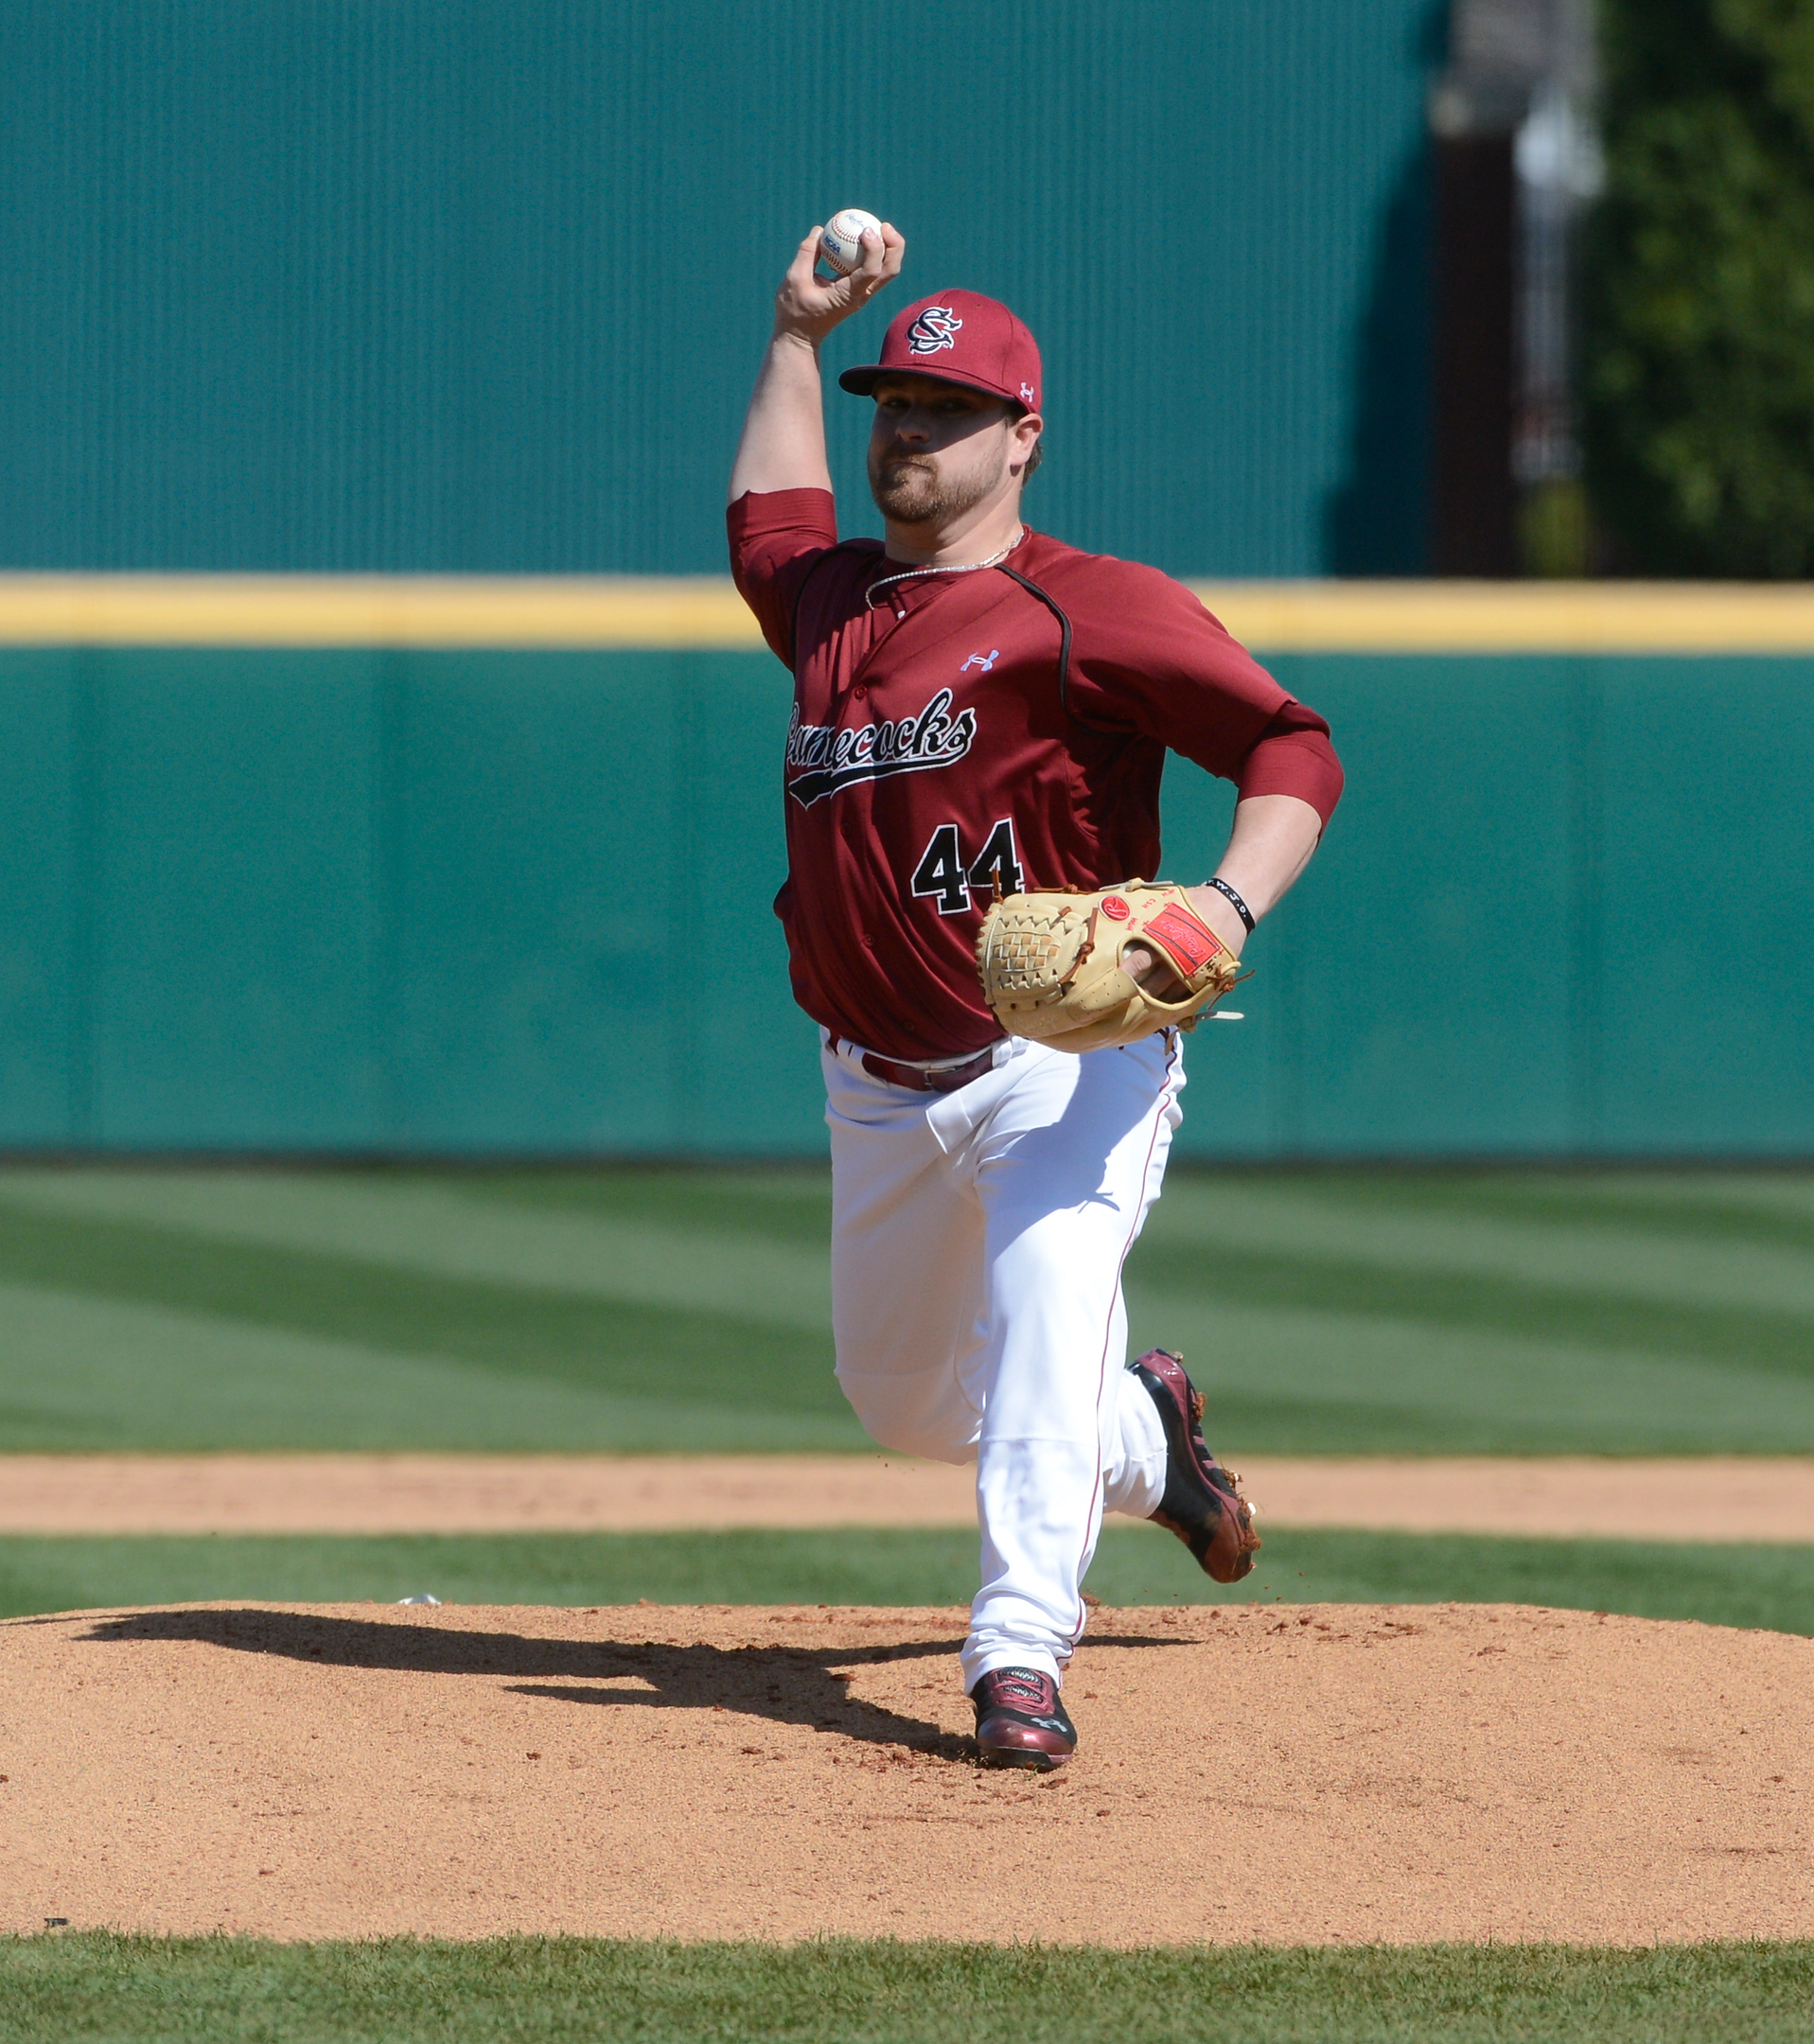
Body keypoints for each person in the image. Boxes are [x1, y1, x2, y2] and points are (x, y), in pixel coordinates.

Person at [727, 221, 1343, 1769]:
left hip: (1066, 1058)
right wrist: (798, 335)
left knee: (1054, 1300)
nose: (907, 434)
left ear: (1023, 437)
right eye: (893, 407)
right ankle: (1151, 1439)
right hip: (874, 1075)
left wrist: (1222, 899)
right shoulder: (829, 606)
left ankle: (1017, 1656)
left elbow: (1293, 749)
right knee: (911, 1407)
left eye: (942, 411)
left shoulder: (1089, 607)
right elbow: (765, 513)